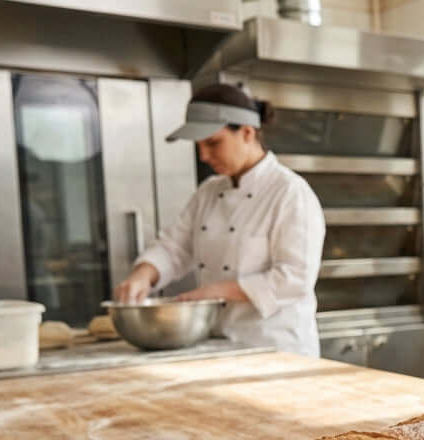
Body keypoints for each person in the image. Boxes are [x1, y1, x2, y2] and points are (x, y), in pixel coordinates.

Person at [113, 84, 325, 357]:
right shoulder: (209, 192)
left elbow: (295, 278)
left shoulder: (290, 193)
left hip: (278, 350)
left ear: (247, 133)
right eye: (199, 146)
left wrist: (216, 292)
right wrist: (142, 276)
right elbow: (174, 246)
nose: (203, 156)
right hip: (219, 346)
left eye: (213, 143)